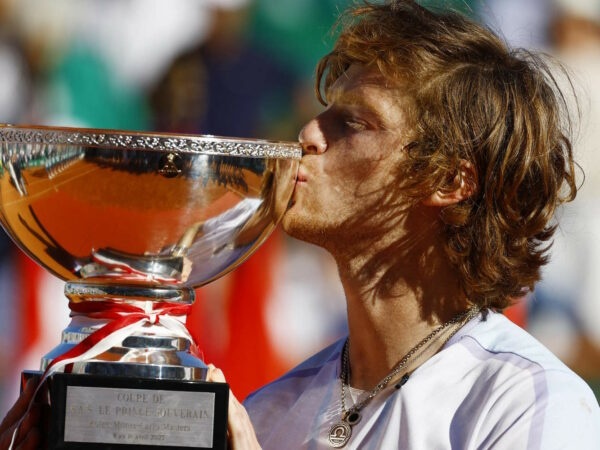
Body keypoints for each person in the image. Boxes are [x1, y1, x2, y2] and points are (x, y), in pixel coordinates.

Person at [1, 1, 600, 449]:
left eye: (354, 123)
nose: (308, 136)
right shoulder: (270, 411)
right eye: (321, 113)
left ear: (449, 181)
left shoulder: (530, 405)